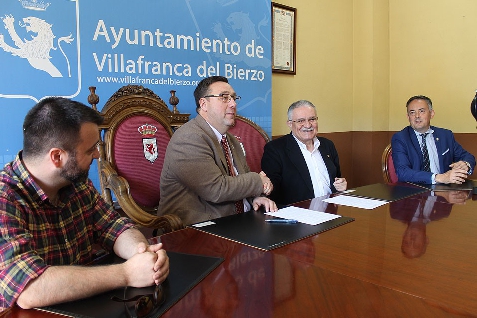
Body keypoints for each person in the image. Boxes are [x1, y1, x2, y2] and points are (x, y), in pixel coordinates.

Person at [0, 97, 169, 311]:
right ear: (57, 157)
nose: (98, 155)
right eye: (90, 150)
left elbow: (114, 228)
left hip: (83, 306)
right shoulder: (5, 198)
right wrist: (127, 274)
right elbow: (29, 289)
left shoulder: (76, 183)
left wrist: (143, 254)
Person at [158, 76, 277, 225]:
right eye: (224, 98)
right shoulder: (188, 138)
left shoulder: (231, 139)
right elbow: (216, 189)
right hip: (199, 230)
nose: (233, 104)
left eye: (234, 98)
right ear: (204, 104)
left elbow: (240, 179)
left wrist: (254, 198)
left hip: (240, 222)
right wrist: (258, 181)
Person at [261, 100, 347, 207]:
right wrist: (265, 183)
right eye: (301, 121)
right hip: (298, 215)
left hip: (331, 210)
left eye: (312, 119)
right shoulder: (275, 149)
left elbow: (336, 178)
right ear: (290, 124)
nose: (307, 125)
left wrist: (340, 185)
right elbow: (272, 189)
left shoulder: (327, 145)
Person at [391, 95, 476, 184]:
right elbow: (402, 172)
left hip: (445, 191)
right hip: (415, 191)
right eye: (412, 112)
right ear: (408, 117)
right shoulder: (401, 138)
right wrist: (438, 177)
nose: (417, 116)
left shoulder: (445, 135)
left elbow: (468, 157)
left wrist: (465, 164)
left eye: (422, 111)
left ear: (431, 114)